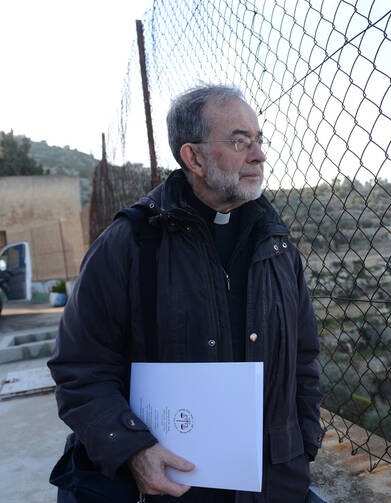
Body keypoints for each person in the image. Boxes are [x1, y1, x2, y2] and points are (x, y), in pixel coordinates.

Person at [48, 84, 324, 502]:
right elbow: (79, 368)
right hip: (172, 489)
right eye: (239, 141)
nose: (259, 154)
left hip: (275, 488)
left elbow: (303, 360)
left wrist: (303, 445)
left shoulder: (279, 248)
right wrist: (132, 448)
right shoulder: (131, 243)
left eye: (259, 140)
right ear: (193, 157)